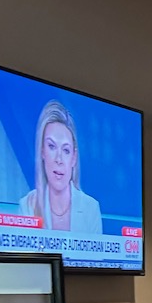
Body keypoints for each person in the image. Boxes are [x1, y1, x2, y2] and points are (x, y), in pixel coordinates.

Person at [18, 100, 102, 233]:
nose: (59, 159)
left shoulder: (90, 209)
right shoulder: (27, 205)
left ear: (73, 158)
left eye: (66, 150)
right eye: (51, 146)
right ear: (42, 151)